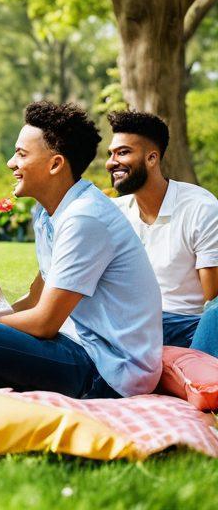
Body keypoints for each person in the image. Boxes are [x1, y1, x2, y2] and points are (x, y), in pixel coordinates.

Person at [0, 102, 163, 399]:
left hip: (109, 371)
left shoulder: (85, 218)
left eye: (21, 154)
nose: (10, 163)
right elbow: (35, 298)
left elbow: (44, 322)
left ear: (55, 164)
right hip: (75, 346)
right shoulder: (50, 215)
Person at [106, 110, 218, 356]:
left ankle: (197, 374)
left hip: (188, 326)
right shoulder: (114, 213)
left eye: (123, 152)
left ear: (152, 158)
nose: (111, 162)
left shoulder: (200, 207)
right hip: (130, 324)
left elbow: (212, 297)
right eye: (111, 154)